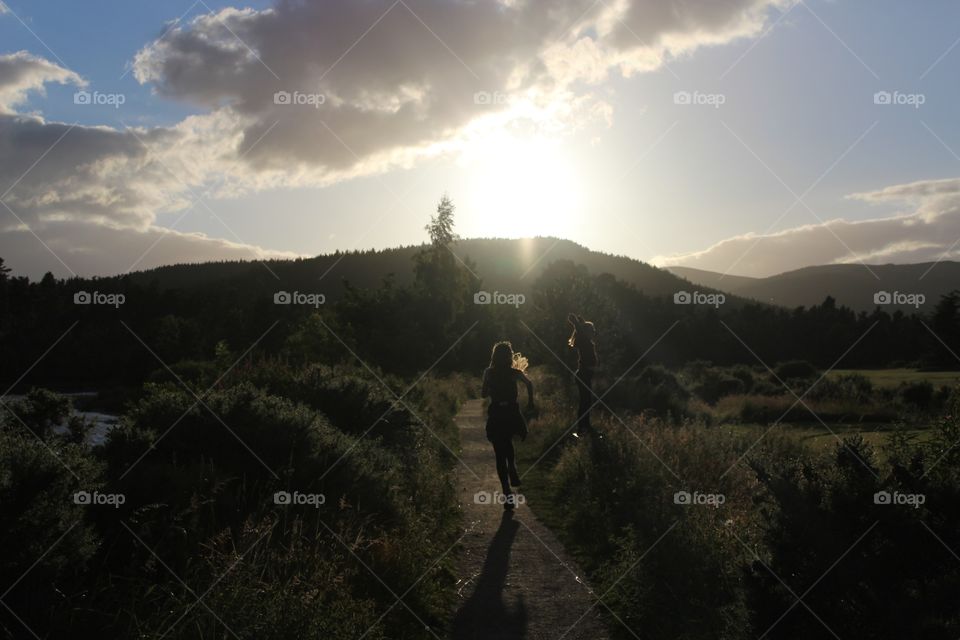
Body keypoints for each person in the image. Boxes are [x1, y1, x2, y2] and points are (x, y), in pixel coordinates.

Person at [481, 341, 534, 510]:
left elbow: (483, 394)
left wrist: (492, 388)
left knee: (499, 451)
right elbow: (529, 384)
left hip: (497, 412)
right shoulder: (514, 373)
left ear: (494, 356)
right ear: (509, 356)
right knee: (508, 442)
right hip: (511, 411)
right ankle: (512, 467)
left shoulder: (489, 373)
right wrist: (531, 402)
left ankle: (506, 492)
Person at [567, 313, 598, 437]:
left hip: (585, 375)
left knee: (586, 402)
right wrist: (576, 322)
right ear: (587, 332)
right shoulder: (585, 341)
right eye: (592, 330)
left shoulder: (586, 341)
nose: (594, 332)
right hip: (583, 375)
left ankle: (585, 427)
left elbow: (582, 331)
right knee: (585, 402)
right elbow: (581, 331)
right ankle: (582, 429)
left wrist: (579, 322)